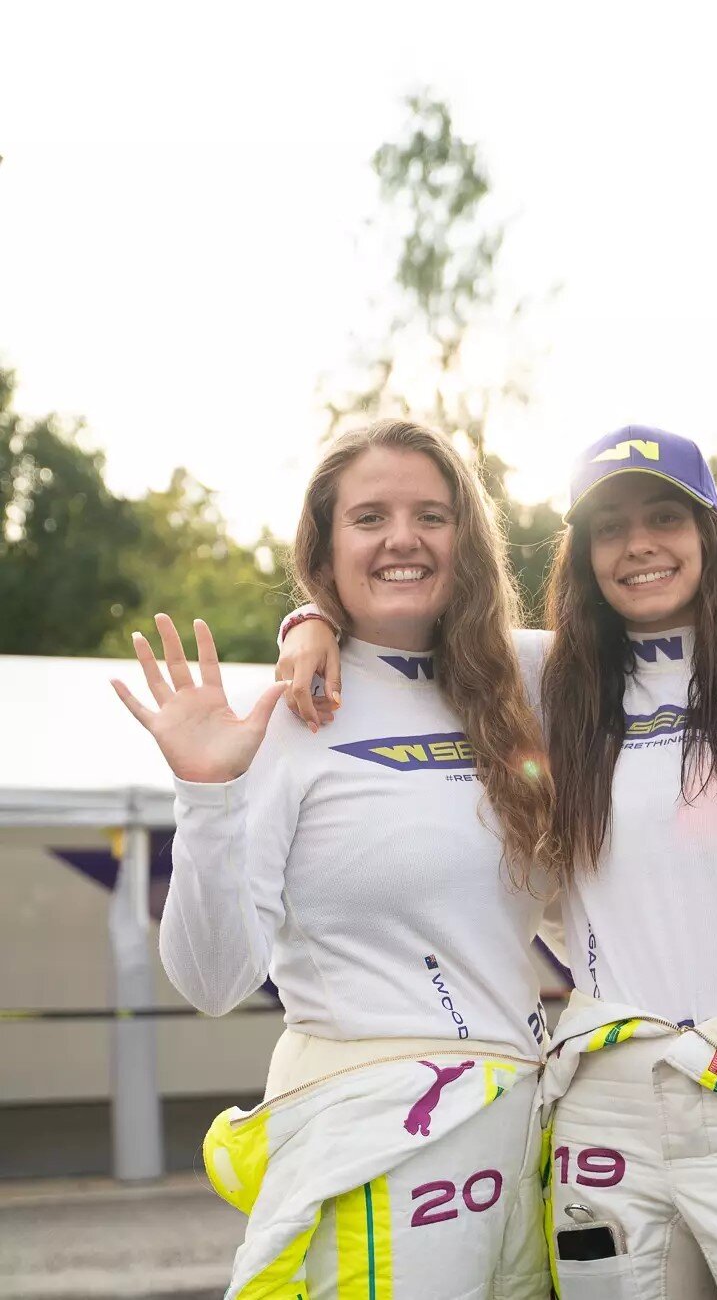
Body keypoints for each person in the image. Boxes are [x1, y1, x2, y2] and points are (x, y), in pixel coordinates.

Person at [279, 425, 717, 1299]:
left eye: (665, 517)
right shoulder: (544, 684)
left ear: (710, 538)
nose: (639, 544)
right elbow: (407, 618)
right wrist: (312, 618)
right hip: (606, 1109)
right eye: (611, 526)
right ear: (584, 554)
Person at [111, 420, 558, 1300]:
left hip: (529, 1130)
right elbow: (211, 980)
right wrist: (208, 798)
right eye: (369, 517)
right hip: (373, 1128)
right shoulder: (288, 717)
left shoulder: (525, 683)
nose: (403, 538)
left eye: (432, 514)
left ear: (468, 538)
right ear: (324, 546)